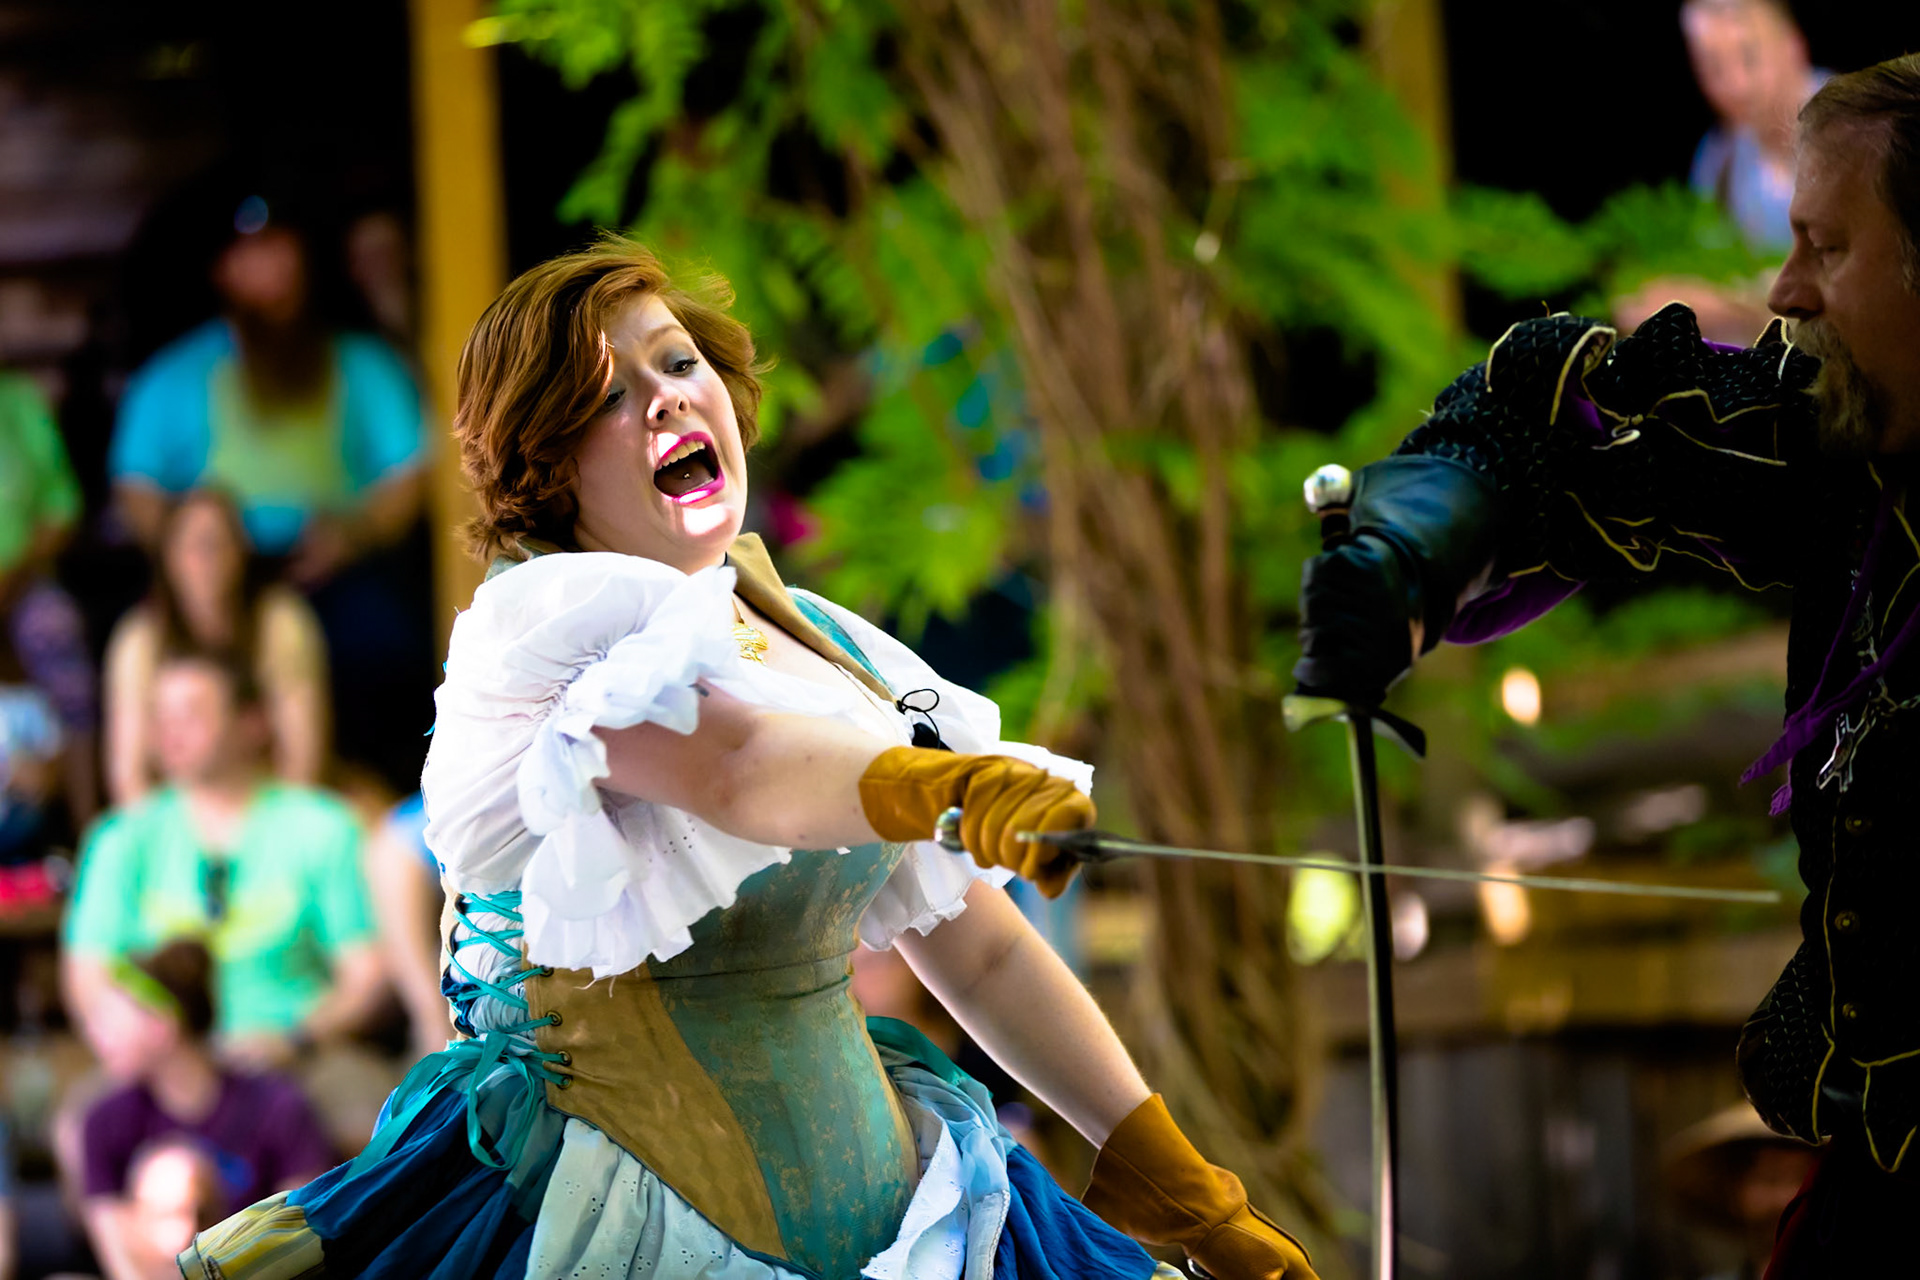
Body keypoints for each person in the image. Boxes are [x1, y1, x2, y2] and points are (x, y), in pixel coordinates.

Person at [182, 239, 1318, 1280]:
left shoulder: (818, 640)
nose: (665, 396)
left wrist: (1177, 1182)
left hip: (912, 1225)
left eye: (678, 362)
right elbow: (737, 770)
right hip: (623, 1227)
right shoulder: (545, 628)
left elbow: (975, 948)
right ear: (548, 465)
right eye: (607, 396)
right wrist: (944, 786)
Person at [1293, 55, 1920, 1276]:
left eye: (1830, 247)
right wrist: (1413, 546)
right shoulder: (1851, 451)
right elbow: (1576, 416)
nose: (1785, 289)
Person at [62, 651, 385, 1072]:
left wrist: (297, 1038)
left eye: (192, 714)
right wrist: (139, 1036)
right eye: (160, 716)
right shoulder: (119, 838)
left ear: (252, 723)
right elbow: (87, 976)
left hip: (302, 1056)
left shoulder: (325, 826)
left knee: (372, 1101)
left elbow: (367, 975)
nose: (170, 732)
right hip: (159, 1064)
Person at [108, 196, 426, 584]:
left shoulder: (365, 364)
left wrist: (355, 534)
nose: (272, 273)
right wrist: (192, 560)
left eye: (281, 251)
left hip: (339, 576)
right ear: (223, 270)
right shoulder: (173, 375)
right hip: (224, 587)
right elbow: (136, 484)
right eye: (254, 256)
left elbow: (411, 471)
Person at [75, 938, 332, 1280]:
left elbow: (299, 1239)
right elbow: (123, 1265)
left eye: (110, 1021)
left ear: (161, 1026)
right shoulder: (104, 1122)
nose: (94, 1035)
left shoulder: (277, 1106)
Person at [1615, 0, 1828, 345]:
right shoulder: (1718, 160)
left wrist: (1733, 307)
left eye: (1749, 58)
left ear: (1793, 45)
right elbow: (1712, 266)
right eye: (1714, 69)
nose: (1736, 85)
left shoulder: (1864, 134)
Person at [102, 489, 328, 805]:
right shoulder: (139, 640)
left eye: (216, 544)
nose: (205, 559)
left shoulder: (280, 622)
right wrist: (161, 832)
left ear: (240, 553)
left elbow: (302, 758)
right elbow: (128, 775)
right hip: (175, 812)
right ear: (168, 557)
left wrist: (277, 826)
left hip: (268, 801)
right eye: (191, 546)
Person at [0, 370, 97, 841]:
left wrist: (11, 579)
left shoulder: (20, 402)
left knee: (55, 623)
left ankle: (86, 828)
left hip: (22, 580)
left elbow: (61, 509)